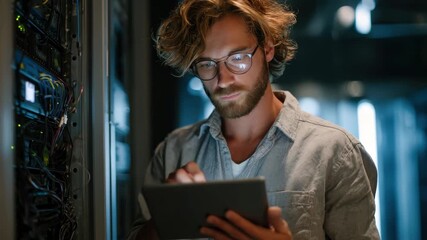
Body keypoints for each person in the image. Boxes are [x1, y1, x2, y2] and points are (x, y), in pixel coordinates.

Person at [128, 0, 380, 239]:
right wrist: (165, 222)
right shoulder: (174, 150)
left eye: (237, 59)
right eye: (206, 64)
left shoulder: (335, 152)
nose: (223, 79)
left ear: (268, 49)